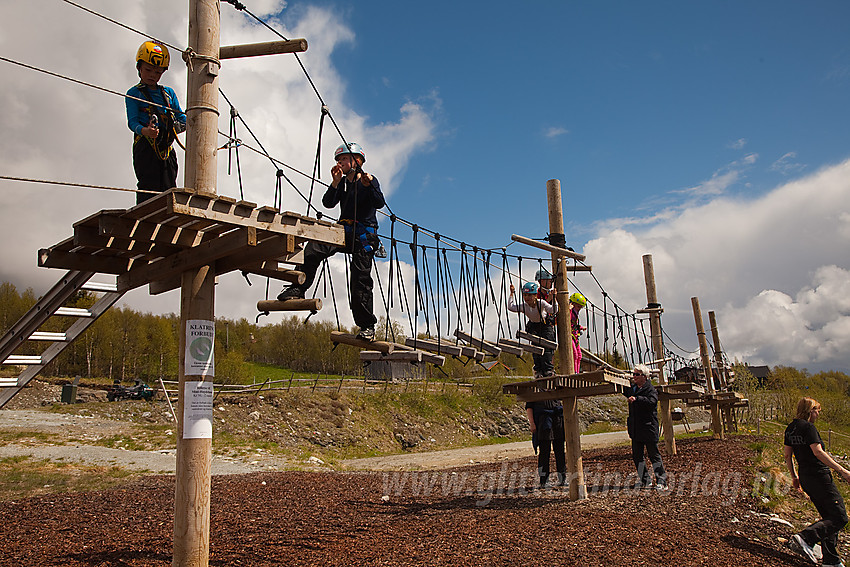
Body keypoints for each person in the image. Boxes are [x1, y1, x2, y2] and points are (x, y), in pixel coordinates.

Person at [277, 142, 385, 341]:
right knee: (314, 247)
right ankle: (298, 288)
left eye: (344, 159)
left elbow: (379, 202)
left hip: (364, 236)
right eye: (339, 160)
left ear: (357, 161)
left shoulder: (368, 180)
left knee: (360, 279)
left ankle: (367, 326)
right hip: (343, 231)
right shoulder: (342, 183)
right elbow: (327, 203)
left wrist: (371, 186)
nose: (340, 163)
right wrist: (335, 182)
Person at [784, 397, 850, 567]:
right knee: (840, 517)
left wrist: (795, 476)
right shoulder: (808, 428)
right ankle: (805, 537)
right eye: (816, 410)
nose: (818, 414)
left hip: (806, 477)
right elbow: (818, 452)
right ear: (809, 410)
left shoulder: (790, 428)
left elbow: (787, 455)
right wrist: (842, 471)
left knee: (829, 518)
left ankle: (831, 559)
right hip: (819, 476)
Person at [125, 42, 186, 205]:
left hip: (166, 148)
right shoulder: (134, 93)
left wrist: (197, 122)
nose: (152, 75)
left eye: (158, 72)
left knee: (169, 186)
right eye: (148, 70)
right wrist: (145, 131)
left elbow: (181, 117)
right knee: (148, 186)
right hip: (146, 147)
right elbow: (132, 122)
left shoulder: (168, 93)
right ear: (139, 68)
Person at [624, 364, 667, 489]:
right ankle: (645, 480)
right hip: (636, 428)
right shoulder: (633, 388)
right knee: (637, 456)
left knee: (654, 455)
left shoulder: (650, 389)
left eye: (637, 374)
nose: (634, 377)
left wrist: (638, 399)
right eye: (634, 374)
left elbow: (652, 402)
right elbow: (624, 391)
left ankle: (661, 481)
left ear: (644, 376)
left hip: (648, 428)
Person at [508, 282, 557, 378]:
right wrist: (512, 293)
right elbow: (511, 307)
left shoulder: (541, 303)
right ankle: (538, 370)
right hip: (534, 327)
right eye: (525, 295)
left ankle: (548, 370)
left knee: (547, 349)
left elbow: (553, 310)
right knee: (535, 349)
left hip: (545, 327)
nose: (527, 298)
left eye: (530, 295)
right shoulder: (524, 306)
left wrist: (554, 298)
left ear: (535, 295)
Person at [526, 398, 566, 489]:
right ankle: (543, 481)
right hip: (543, 421)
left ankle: (562, 478)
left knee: (560, 451)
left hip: (557, 420)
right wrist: (532, 423)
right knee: (544, 452)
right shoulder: (535, 389)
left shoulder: (555, 387)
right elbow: (529, 407)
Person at [569, 292, 587, 373]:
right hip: (570, 335)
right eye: (578, 306)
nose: (579, 308)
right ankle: (574, 372)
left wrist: (580, 327)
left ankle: (577, 371)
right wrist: (569, 309)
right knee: (575, 354)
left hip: (575, 335)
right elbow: (567, 321)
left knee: (579, 355)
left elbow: (574, 324)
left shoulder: (575, 314)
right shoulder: (570, 312)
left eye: (581, 307)